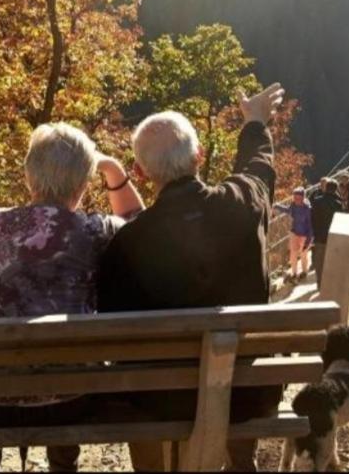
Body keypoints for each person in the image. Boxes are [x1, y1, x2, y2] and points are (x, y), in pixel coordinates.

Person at [97, 83, 286, 472]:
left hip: (160, 400)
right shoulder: (244, 203)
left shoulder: (125, 244)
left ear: (139, 171)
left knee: (144, 401)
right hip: (244, 396)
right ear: (199, 156)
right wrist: (254, 123)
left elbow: (112, 339)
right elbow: (260, 168)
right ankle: (239, 462)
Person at [0, 122, 143, 473]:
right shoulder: (96, 230)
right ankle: (62, 465)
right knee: (68, 372)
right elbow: (142, 225)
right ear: (84, 184)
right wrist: (113, 169)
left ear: (28, 176)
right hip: (69, 399)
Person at [309, 177, 344, 289]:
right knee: (331, 260)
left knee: (319, 260)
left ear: (325, 188)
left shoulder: (317, 201)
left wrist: (312, 233)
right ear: (335, 190)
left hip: (319, 235)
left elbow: (312, 218)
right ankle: (328, 282)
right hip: (333, 235)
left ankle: (319, 282)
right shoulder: (338, 204)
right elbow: (341, 221)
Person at [274, 187, 313, 281]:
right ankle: (294, 273)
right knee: (293, 253)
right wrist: (277, 206)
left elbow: (311, 226)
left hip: (305, 234)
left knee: (303, 254)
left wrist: (308, 241)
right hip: (294, 232)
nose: (296, 200)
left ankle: (304, 272)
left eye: (298, 198)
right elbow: (288, 210)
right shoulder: (293, 205)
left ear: (303, 197)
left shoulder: (307, 209)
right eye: (295, 198)